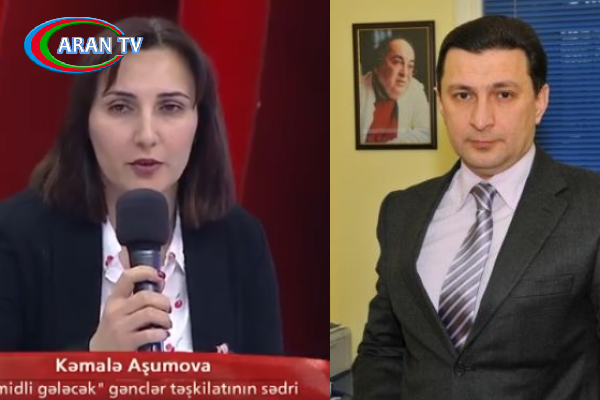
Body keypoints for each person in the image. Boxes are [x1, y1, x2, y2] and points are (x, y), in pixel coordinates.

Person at [0, 16, 283, 354]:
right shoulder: (16, 236)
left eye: (170, 107)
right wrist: (94, 362)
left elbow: (270, 377)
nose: (146, 136)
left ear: (200, 123)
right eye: (120, 107)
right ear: (85, 120)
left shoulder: (240, 240)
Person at [353, 15, 600, 399]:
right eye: (463, 95)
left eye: (504, 95)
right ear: (440, 102)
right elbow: (383, 349)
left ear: (539, 102)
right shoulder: (401, 212)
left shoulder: (591, 207)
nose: (481, 120)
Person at [358, 36, 430, 144]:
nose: (405, 73)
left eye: (410, 66)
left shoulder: (416, 89)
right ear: (377, 66)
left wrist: (389, 148)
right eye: (397, 62)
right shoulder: (357, 91)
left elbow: (426, 133)